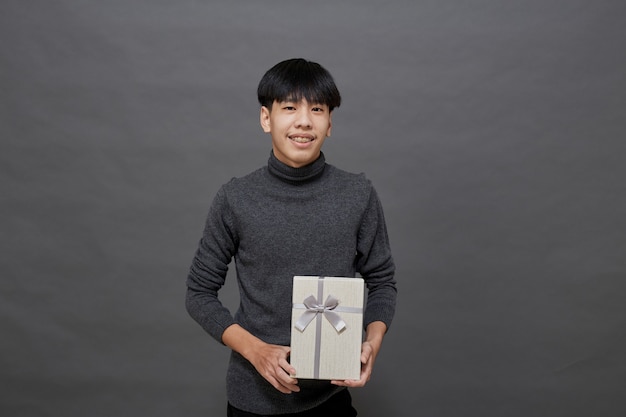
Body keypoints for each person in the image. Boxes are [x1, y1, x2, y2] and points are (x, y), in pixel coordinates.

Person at [186, 58, 397, 416]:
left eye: (317, 109)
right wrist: (255, 351)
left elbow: (382, 283)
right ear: (266, 118)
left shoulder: (357, 194)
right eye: (289, 108)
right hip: (251, 401)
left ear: (330, 122)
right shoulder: (235, 198)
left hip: (331, 399)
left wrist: (372, 342)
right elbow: (198, 294)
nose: (304, 121)